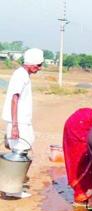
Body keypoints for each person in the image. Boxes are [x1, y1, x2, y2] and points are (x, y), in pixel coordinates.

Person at [1, 48, 44, 198]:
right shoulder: (21, 76)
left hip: (21, 121)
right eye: (38, 65)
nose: (40, 68)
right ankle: (12, 189)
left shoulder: (22, 74)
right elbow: (14, 99)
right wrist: (14, 126)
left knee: (20, 150)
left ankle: (12, 185)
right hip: (19, 122)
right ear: (31, 64)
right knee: (19, 153)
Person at [63, 107, 92, 209]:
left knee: (86, 160)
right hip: (80, 127)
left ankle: (85, 196)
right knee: (89, 160)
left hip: (79, 122)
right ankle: (89, 199)